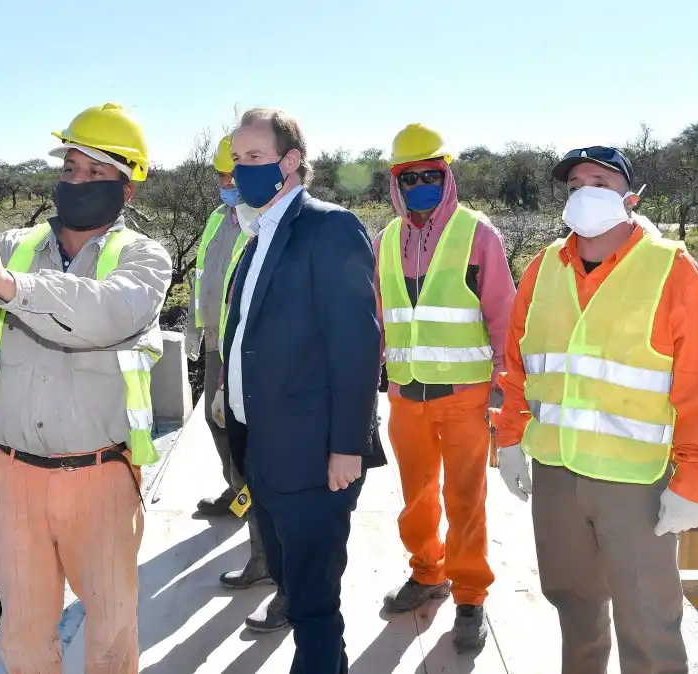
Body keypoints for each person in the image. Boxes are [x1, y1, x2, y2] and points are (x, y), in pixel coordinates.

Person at [0, 102, 172, 674]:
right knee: (22, 632)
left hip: (101, 478)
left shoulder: (143, 258)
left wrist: (7, 282)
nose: (76, 181)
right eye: (70, 168)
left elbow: (104, 314)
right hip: (13, 477)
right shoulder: (14, 247)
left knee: (111, 631)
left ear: (129, 189)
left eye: (95, 173)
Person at [491, 146, 698, 674]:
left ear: (630, 195)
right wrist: (509, 439)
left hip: (635, 483)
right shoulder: (544, 268)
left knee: (647, 621)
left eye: (599, 181)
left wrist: (695, 482)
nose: (585, 192)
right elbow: (519, 365)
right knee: (573, 606)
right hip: (556, 475)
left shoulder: (671, 271)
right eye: (576, 182)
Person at [219, 107, 383, 674]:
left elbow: (358, 346)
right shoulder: (256, 232)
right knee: (294, 588)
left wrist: (347, 447)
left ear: (291, 162)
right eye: (238, 160)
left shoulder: (328, 227)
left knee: (313, 605)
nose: (243, 171)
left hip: (315, 457)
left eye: (256, 158)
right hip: (262, 451)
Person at [374, 123, 516, 651]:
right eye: (408, 178)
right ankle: (427, 573)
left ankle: (471, 596)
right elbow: (378, 320)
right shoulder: (385, 240)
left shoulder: (477, 233)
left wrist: (505, 394)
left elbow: (503, 318)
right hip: (405, 397)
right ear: (395, 182)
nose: (419, 186)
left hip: (465, 399)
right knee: (415, 500)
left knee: (465, 499)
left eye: (430, 175)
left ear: (446, 174)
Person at [184, 135, 284, 623]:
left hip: (242, 350)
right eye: (222, 176)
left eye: (232, 175)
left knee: (250, 443)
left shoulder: (263, 224)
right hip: (215, 342)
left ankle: (264, 556)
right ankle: (235, 491)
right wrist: (193, 333)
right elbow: (203, 278)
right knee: (216, 423)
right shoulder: (218, 220)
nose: (226, 184)